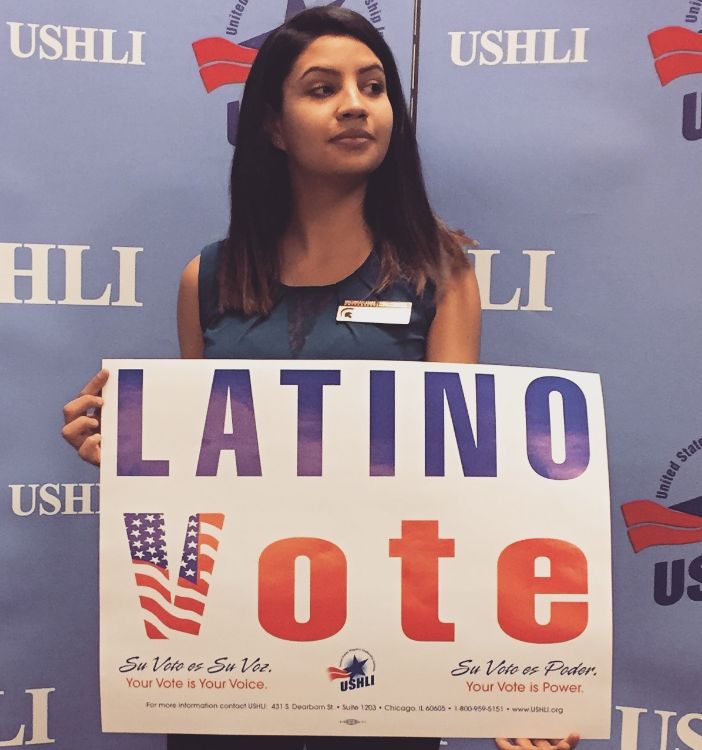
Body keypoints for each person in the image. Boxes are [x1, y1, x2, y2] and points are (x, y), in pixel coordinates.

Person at [62, 7, 579, 750]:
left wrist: (517, 679)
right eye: (321, 87)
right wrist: (129, 456)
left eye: (373, 86)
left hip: (383, 657)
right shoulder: (205, 278)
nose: (354, 104)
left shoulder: (439, 276)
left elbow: (468, 487)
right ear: (273, 125)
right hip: (231, 652)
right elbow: (199, 488)